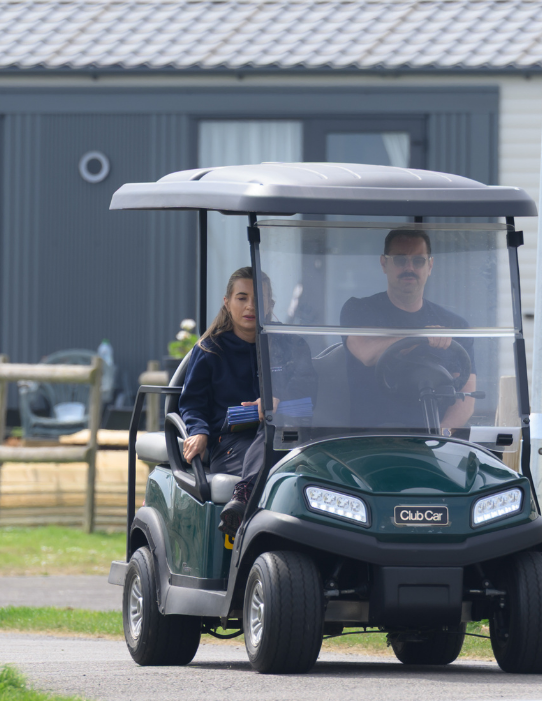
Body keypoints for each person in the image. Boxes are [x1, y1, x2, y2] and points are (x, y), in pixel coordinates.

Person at [176, 267, 314, 537]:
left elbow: (310, 388)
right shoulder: (209, 350)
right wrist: (200, 431)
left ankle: (244, 495)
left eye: (259, 300)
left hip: (287, 436)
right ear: (227, 303)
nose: (251, 306)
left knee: (274, 423)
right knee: (276, 448)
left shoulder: (292, 346)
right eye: (242, 298)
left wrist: (276, 400)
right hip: (230, 445)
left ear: (271, 305)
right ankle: (250, 494)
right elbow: (192, 403)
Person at [341, 227, 478, 432]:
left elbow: (466, 394)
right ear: (384, 263)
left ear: (430, 266)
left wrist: (441, 434)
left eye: (418, 261)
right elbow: (367, 353)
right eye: (400, 260)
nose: (409, 268)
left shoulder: (455, 325)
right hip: (367, 442)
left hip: (433, 442)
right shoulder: (359, 310)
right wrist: (419, 336)